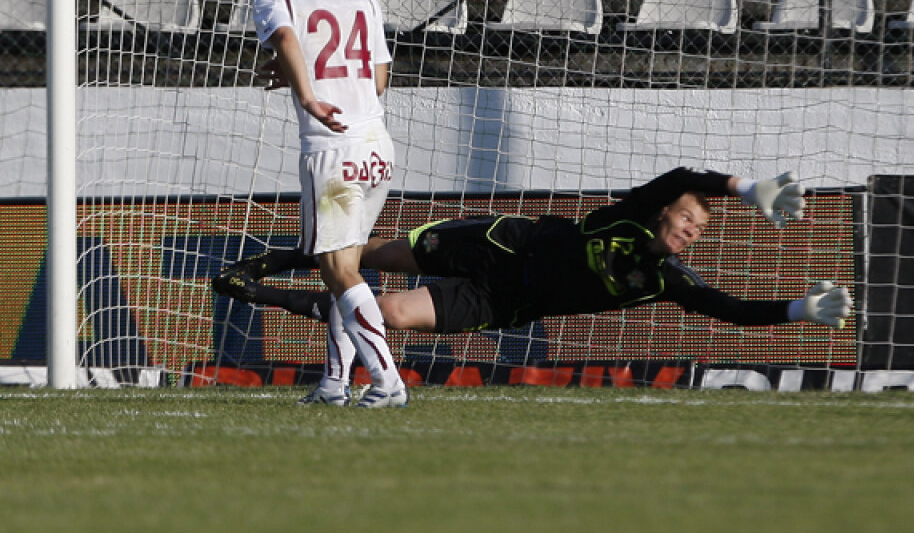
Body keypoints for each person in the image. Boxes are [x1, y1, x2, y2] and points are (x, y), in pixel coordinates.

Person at [213, 167, 854, 400]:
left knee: (387, 314)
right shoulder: (626, 218)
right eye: (686, 218)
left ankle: (259, 292)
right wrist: (745, 188)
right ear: (666, 212)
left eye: (698, 228)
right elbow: (681, 175)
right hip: (501, 242)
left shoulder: (662, 280)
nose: (690, 231)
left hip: (502, 299)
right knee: (372, 252)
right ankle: (274, 259)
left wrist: (798, 307)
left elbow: (730, 310)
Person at [249, 0, 407, 408]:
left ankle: (388, 383)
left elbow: (290, 42)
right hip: (377, 148)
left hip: (333, 150)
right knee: (348, 268)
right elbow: (378, 79)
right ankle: (335, 385)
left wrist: (309, 94)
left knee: (338, 269)